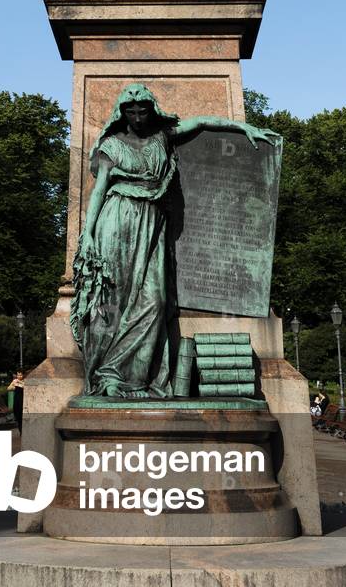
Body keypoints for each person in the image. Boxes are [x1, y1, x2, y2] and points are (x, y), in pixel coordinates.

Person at [70, 83, 279, 399]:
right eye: (131, 110)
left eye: (143, 109)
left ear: (152, 110)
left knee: (154, 301)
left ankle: (133, 376)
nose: (138, 116)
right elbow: (98, 192)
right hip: (118, 222)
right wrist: (87, 236)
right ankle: (112, 377)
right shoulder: (111, 146)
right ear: (121, 112)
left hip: (153, 223)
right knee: (116, 301)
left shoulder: (162, 137)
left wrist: (243, 127)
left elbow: (203, 123)